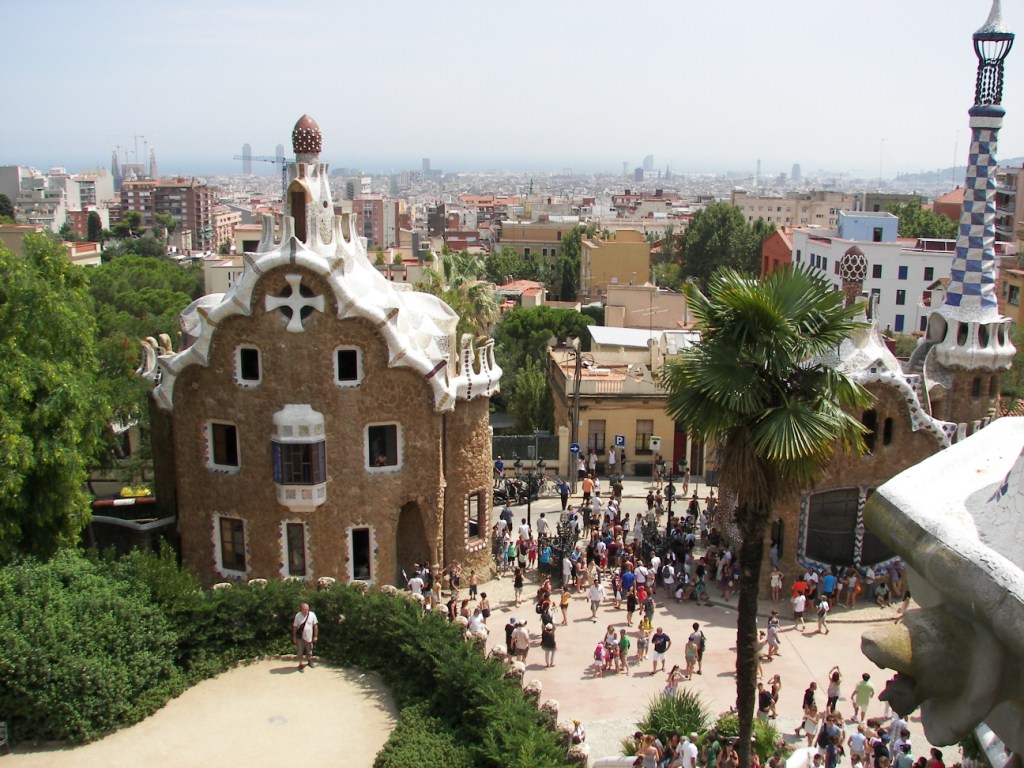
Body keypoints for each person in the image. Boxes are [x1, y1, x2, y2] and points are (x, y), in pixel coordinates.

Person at [292, 602, 319, 671]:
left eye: (306, 609)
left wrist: (315, 636)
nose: (305, 611)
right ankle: (300, 664)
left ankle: (309, 661)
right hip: (300, 637)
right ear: (301, 609)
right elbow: (295, 627)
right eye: (304, 609)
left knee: (309, 650)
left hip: (309, 636)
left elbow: (315, 626)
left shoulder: (312, 615)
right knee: (300, 651)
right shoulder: (297, 616)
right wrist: (294, 637)